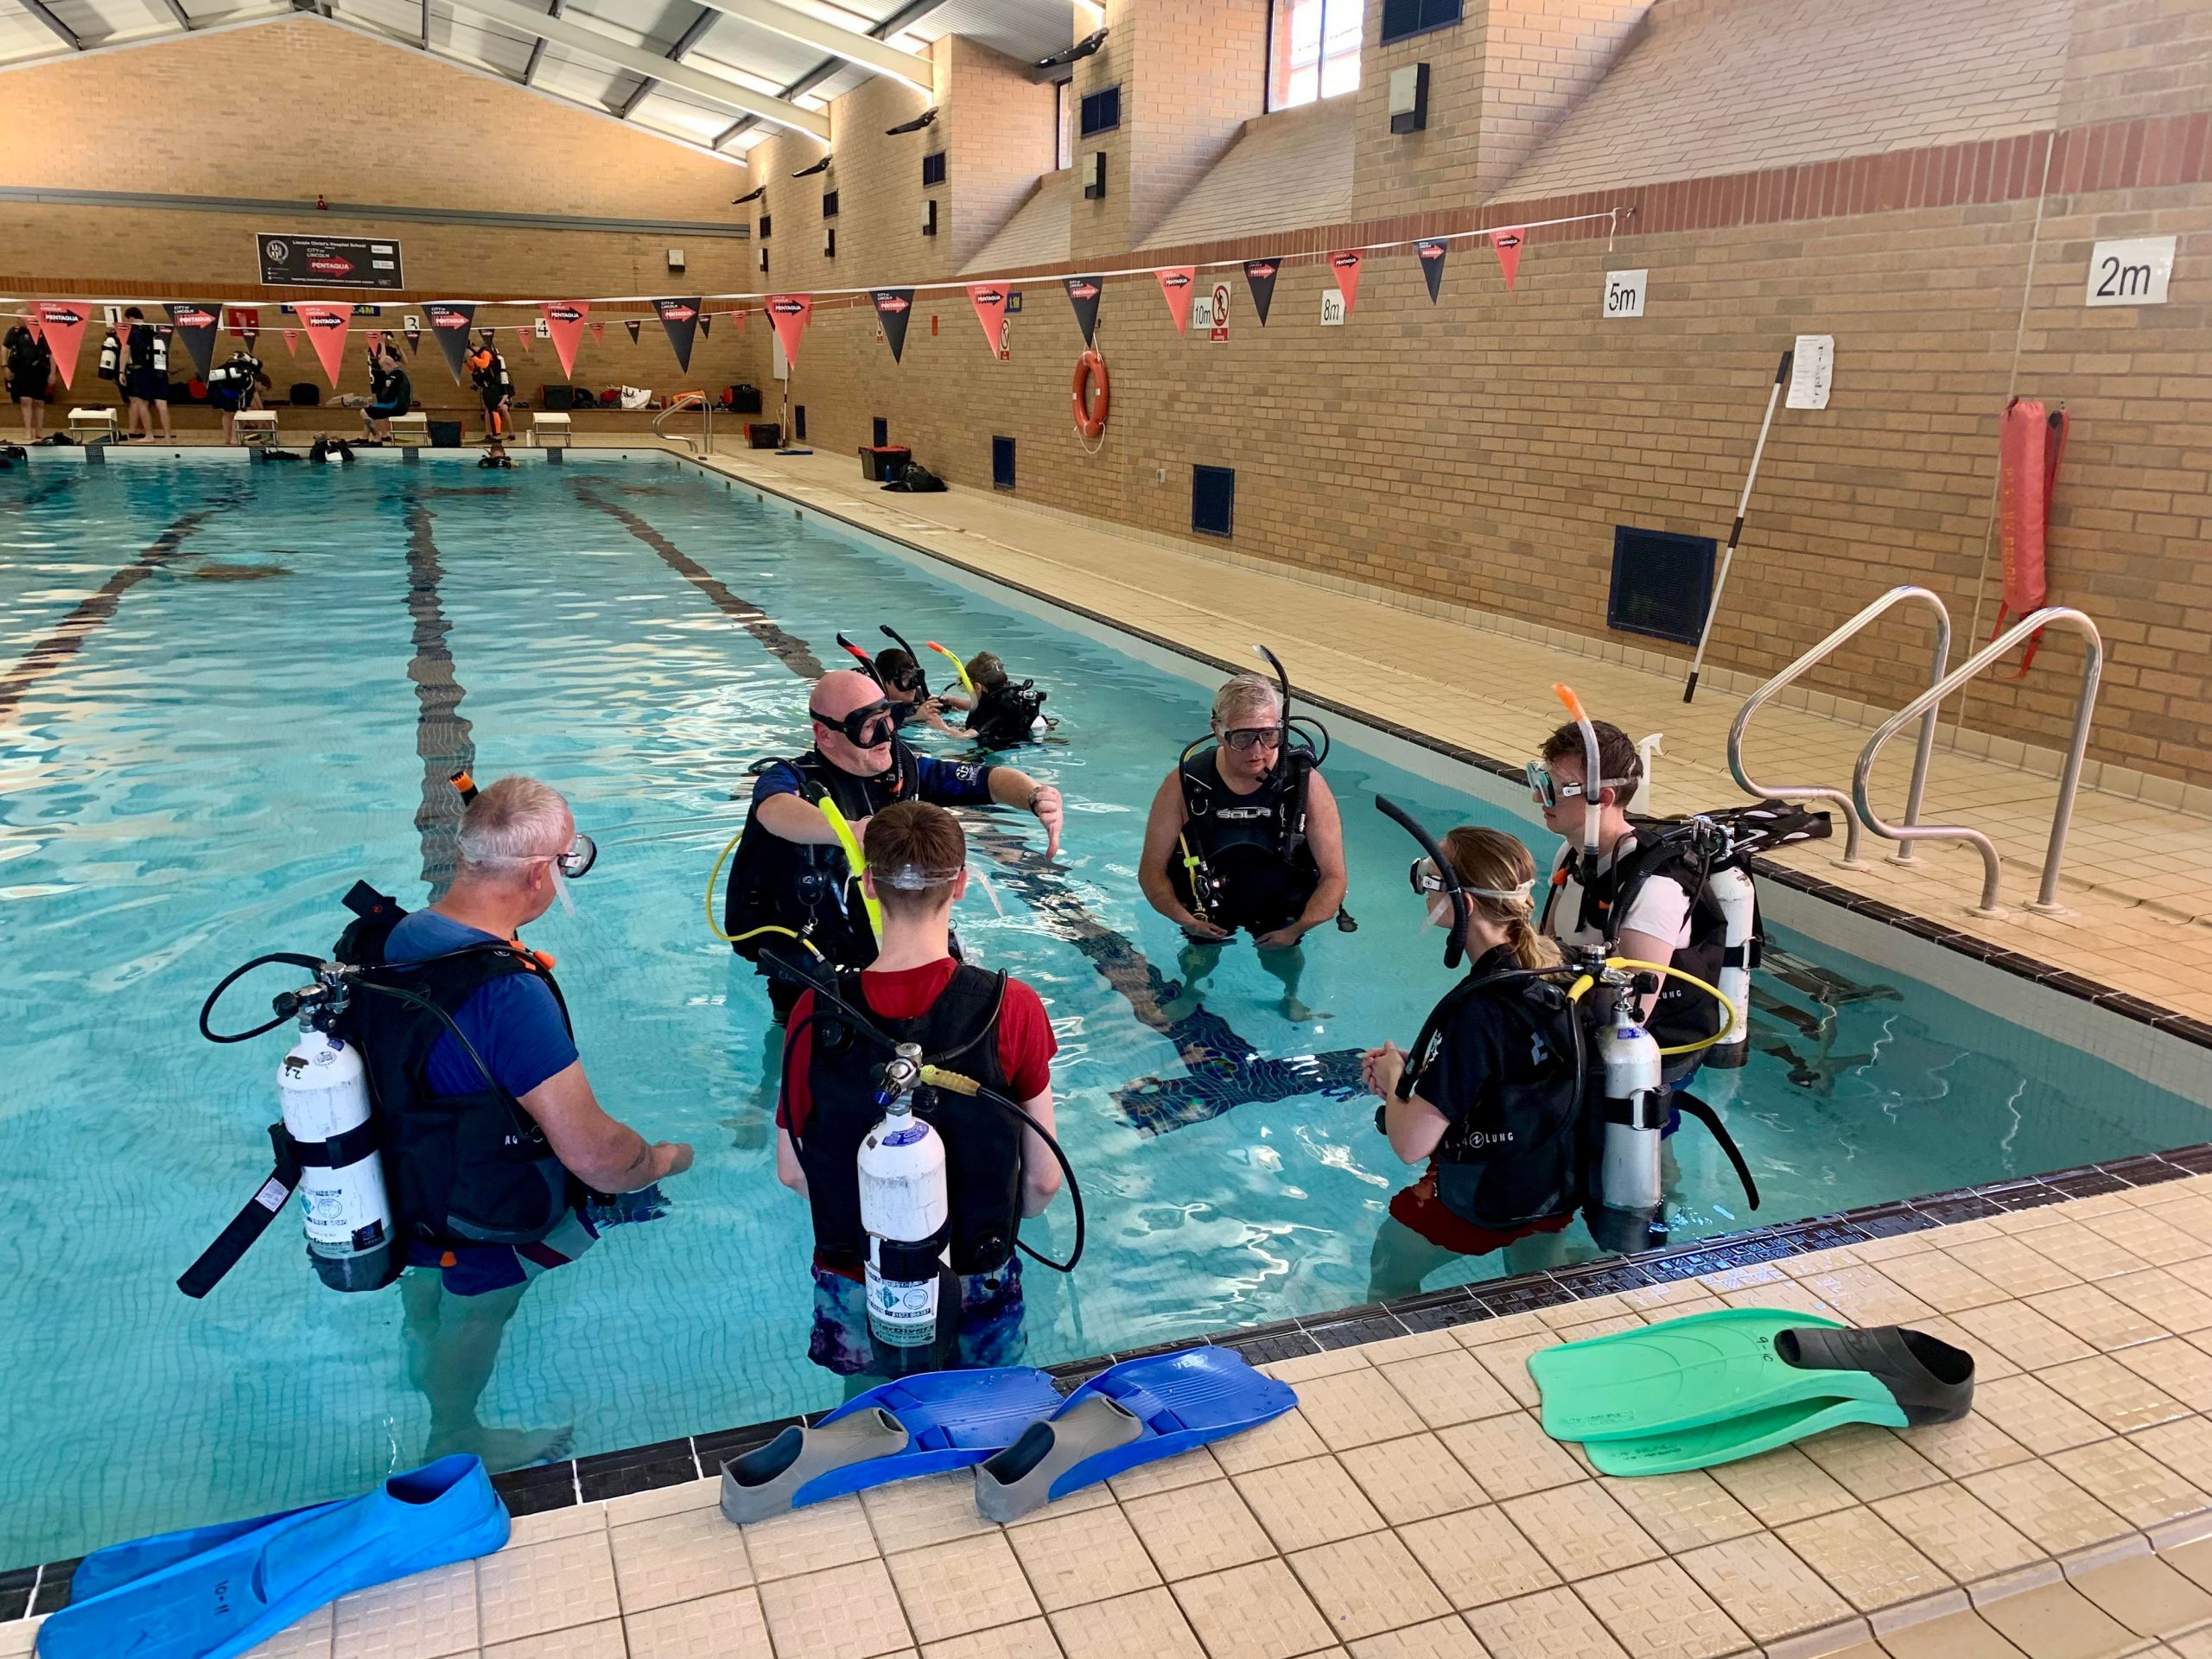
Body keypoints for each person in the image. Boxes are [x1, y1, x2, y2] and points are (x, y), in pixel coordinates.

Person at [377, 776, 694, 1468]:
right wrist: (663, 1160)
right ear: (539, 873)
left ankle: (422, 1356)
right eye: (568, 859)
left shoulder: (403, 934)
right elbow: (595, 1155)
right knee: (482, 1309)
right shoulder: (507, 995)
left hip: (413, 1182)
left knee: (434, 1281)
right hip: (477, 1206)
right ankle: (455, 1433)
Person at [774, 801, 1062, 1382]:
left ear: (868, 884)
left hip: (857, 1276)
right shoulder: (1013, 1007)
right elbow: (1042, 1179)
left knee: (871, 1409)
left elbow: (792, 1171)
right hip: (978, 1272)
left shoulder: (815, 1009)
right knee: (985, 1404)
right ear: (960, 885)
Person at [724, 667, 1064, 1025]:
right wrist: (848, 830)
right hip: (804, 958)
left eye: (889, 718)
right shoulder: (792, 778)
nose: (887, 734)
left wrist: (1034, 794)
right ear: (824, 734)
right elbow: (773, 808)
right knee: (800, 1039)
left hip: (879, 946)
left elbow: (986, 780)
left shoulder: (904, 770)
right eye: (868, 726)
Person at [1363, 828, 1581, 1299]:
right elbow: (1511, 1072)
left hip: (1486, 1195)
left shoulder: (1475, 1010)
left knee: (1392, 1258)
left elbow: (1410, 1144)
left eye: (1432, 874)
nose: (1424, 882)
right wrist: (1428, 1070)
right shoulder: (1551, 973)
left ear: (1468, 902)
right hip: (1553, 1186)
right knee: (1535, 1288)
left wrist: (1395, 1077)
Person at [1530, 718, 1722, 1103]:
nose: (1538, 798)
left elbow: (1626, 1021)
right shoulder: (1571, 853)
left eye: (1552, 789)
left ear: (1601, 799)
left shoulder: (1653, 891)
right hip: (1579, 1030)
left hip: (1640, 1065)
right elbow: (1543, 952)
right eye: (1539, 781)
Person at [1139, 673, 1346, 1021]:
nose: (1258, 750)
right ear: (1218, 729)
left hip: (1279, 901)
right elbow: (1151, 872)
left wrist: (1297, 930)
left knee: (1284, 956)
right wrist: (1186, 920)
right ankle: (1191, 992)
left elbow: (1335, 877)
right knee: (1199, 954)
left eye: (1268, 735)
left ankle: (1290, 996)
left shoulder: (1305, 783)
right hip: (1206, 903)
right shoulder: (1185, 783)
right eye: (1243, 737)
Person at [961, 652, 1050, 749]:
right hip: (1030, 732)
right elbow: (980, 706)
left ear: (977, 687)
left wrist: (941, 724)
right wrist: (954, 702)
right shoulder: (1006, 692)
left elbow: (964, 736)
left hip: (1008, 745)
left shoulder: (997, 707)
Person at [874, 646, 964, 734]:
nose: (912, 685)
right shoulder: (876, 703)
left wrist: (953, 703)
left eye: (914, 678)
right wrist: (916, 718)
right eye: (905, 679)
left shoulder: (917, 694)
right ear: (883, 682)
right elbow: (877, 727)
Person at [119, 308, 174, 442]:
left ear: (130, 318)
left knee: (142, 403)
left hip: (142, 371)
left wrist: (121, 371)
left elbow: (125, 351)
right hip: (160, 372)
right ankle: (168, 437)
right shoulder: (154, 331)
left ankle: (149, 435)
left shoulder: (133, 332)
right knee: (162, 406)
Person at [206, 348, 270, 445]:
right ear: (260, 382)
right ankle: (234, 439)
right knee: (238, 413)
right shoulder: (250, 381)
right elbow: (245, 409)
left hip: (212, 382)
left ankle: (228, 440)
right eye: (262, 389)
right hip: (220, 386)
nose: (260, 391)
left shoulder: (243, 370)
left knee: (229, 413)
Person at [5, 319, 53, 442]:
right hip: (21, 369)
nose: (18, 321)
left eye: (21, 318)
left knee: (39, 401)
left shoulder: (42, 332)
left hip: (40, 369)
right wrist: (5, 366)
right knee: (25, 400)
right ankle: (27, 430)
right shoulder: (15, 332)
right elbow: (4, 348)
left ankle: (39, 430)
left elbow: (52, 353)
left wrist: (53, 373)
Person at [363, 338, 412, 442]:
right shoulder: (398, 373)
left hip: (397, 406)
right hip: (399, 404)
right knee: (372, 410)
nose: (383, 369)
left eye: (383, 367)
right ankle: (366, 438)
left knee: (367, 411)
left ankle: (377, 437)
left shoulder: (395, 374)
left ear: (389, 365)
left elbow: (387, 395)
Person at [468, 335, 513, 438]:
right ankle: (488, 434)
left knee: (503, 409)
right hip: (493, 393)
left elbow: (506, 391)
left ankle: (511, 433)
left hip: (503, 395)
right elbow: (476, 372)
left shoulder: (500, 372)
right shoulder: (488, 371)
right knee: (488, 410)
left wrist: (501, 402)